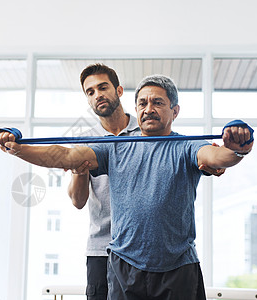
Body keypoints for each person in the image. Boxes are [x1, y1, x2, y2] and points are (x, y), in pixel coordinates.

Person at [0, 74, 253, 299]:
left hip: (177, 268)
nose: (148, 109)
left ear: (174, 111)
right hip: (124, 266)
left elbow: (217, 157)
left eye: (158, 102)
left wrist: (238, 149)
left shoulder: (186, 146)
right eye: (142, 103)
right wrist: (19, 148)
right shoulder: (117, 146)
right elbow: (66, 156)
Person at [66, 64, 225, 300]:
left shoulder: (146, 127)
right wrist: (79, 167)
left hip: (156, 252)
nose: (97, 95)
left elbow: (200, 158)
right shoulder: (88, 143)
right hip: (103, 250)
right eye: (90, 92)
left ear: (119, 91)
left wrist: (220, 158)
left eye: (102, 87)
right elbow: (78, 201)